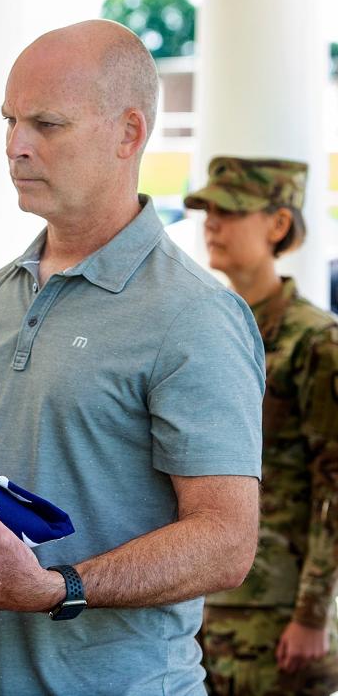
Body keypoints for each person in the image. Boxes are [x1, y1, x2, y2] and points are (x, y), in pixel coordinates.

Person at [0, 20, 264, 695]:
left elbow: (225, 540)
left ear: (129, 133)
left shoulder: (193, 315)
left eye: (46, 123)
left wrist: (55, 587)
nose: (15, 146)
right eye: (9, 120)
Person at [183, 157, 338, 696]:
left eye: (230, 211)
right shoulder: (205, 327)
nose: (212, 224)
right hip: (198, 599)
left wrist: (313, 615)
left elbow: (334, 486)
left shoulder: (316, 340)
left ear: (277, 225)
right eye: (207, 211)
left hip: (276, 616)